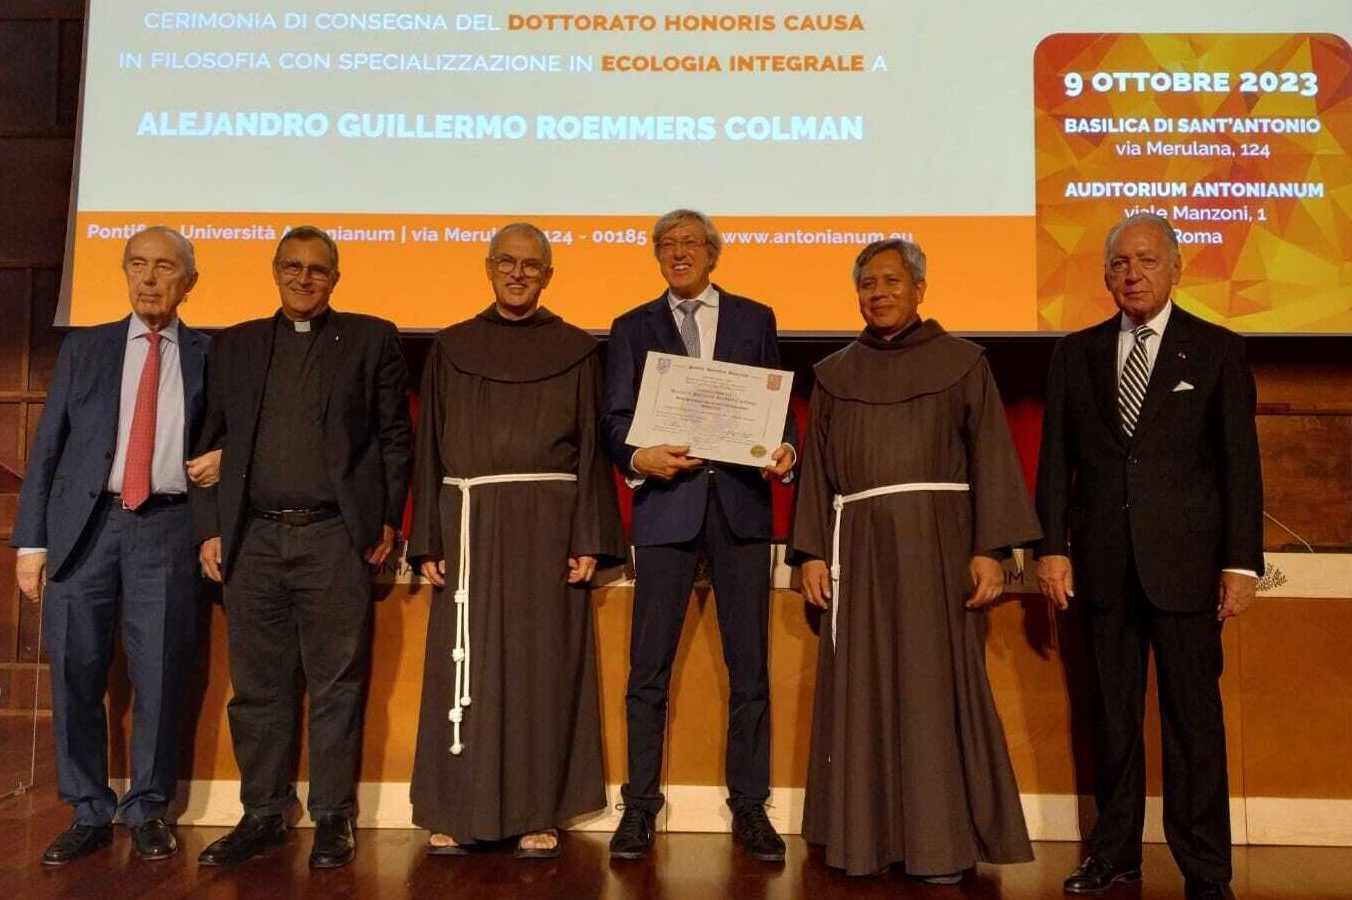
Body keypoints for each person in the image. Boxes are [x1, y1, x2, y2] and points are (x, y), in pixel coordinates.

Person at [786, 238, 1040, 882]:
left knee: (933, 688)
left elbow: (990, 454)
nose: (879, 293)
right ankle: (863, 839)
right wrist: (811, 551)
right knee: (862, 686)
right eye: (867, 283)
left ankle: (940, 844)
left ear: (919, 289)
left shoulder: (962, 363)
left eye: (892, 281)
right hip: (858, 552)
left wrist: (989, 550)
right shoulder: (834, 373)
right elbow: (817, 470)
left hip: (938, 545)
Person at [1035, 213, 1262, 900]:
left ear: (1175, 269)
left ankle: (1205, 869)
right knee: (1111, 720)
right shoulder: (1075, 354)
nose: (1132, 273)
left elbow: (1239, 468)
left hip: (1187, 571)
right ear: (1104, 276)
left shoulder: (1217, 350)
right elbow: (1055, 465)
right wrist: (1050, 547)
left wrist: (1241, 563)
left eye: (1146, 260)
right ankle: (1115, 855)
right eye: (1119, 263)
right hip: (1102, 568)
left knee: (1194, 725)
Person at [189, 225, 414, 869]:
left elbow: (394, 436)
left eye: (318, 269)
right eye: (292, 266)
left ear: (336, 277)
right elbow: (210, 443)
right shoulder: (234, 345)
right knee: (257, 687)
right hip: (252, 538)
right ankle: (262, 812)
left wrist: (387, 520)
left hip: (334, 539)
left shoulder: (370, 338)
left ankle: (334, 817)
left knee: (337, 684)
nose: (304, 278)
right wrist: (210, 526)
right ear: (275, 270)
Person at [407, 223, 626, 860]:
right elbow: (429, 450)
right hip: (468, 520)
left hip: (548, 527)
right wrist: (428, 536)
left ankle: (539, 809)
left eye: (532, 265)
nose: (519, 274)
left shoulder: (576, 351)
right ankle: (454, 805)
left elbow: (589, 449)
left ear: (548, 274)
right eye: (507, 262)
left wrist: (588, 534)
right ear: (489, 267)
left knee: (543, 665)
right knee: (462, 660)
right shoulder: (450, 348)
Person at [11, 226, 214, 865]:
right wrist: (30, 543)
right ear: (124, 273)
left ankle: (149, 808)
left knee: (160, 671)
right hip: (84, 528)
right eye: (137, 266)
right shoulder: (86, 348)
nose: (149, 279)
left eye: (164, 267)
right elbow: (47, 448)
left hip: (169, 525)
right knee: (74, 670)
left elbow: (240, 434)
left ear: (189, 281)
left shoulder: (213, 354)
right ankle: (88, 809)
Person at [601, 208, 797, 863]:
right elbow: (615, 420)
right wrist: (639, 457)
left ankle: (751, 808)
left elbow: (775, 409)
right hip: (665, 511)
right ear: (656, 255)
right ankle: (638, 810)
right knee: (646, 672)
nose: (679, 252)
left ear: (713, 253)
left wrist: (785, 448)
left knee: (751, 671)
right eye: (668, 244)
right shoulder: (632, 327)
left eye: (691, 243)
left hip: (741, 509)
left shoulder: (755, 318)